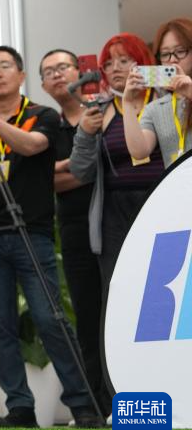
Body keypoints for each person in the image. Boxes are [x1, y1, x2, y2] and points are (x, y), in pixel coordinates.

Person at [0, 45, 100, 428]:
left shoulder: (42, 115)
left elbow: (31, 146)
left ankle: (83, 404)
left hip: (31, 229)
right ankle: (19, 407)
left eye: (4, 65)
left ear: (22, 75)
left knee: (50, 318)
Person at [69, 34, 163, 331]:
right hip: (114, 211)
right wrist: (85, 132)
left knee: (162, 287)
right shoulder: (100, 108)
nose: (116, 68)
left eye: (125, 60)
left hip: (160, 203)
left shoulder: (165, 99)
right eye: (108, 64)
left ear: (143, 62)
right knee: (119, 288)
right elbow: (80, 170)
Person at [38, 49, 110, 415]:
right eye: (48, 71)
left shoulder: (103, 109)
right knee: (86, 311)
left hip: (112, 220)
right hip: (72, 227)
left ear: (80, 71)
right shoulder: (47, 124)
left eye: (63, 67)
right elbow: (43, 182)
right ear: (42, 84)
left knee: (116, 307)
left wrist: (62, 169)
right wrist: (75, 169)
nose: (57, 75)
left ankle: (122, 394)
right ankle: (95, 403)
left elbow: (104, 167)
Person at [122, 18, 192, 169]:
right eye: (165, 54)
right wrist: (127, 103)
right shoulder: (155, 108)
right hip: (177, 183)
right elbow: (139, 151)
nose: (172, 60)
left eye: (180, 51)